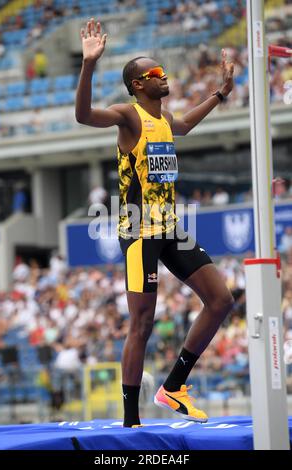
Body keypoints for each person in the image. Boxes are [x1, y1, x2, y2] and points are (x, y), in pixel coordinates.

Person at [76, 18, 235, 427]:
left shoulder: (164, 121)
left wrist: (219, 93)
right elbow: (82, 116)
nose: (163, 78)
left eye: (164, 72)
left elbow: (183, 125)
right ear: (137, 85)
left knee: (220, 300)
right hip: (138, 230)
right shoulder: (127, 116)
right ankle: (131, 422)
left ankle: (174, 387)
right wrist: (89, 63)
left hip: (169, 226)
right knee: (142, 323)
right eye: (155, 74)